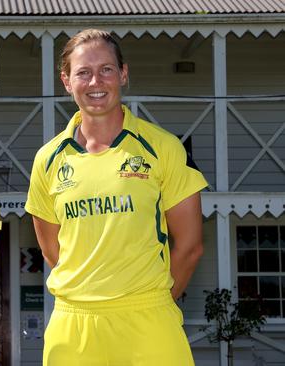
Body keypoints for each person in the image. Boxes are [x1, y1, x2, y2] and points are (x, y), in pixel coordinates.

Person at [25, 29, 207, 366]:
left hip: (148, 320)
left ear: (123, 74)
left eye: (106, 69)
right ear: (66, 81)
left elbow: (191, 246)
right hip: (73, 326)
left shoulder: (164, 147)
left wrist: (147, 302)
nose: (96, 81)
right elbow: (54, 251)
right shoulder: (47, 160)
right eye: (83, 72)